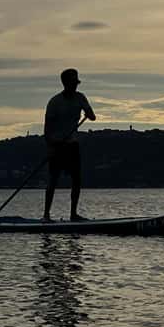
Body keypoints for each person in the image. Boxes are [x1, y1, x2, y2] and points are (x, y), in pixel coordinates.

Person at [43, 68, 96, 221]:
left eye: (76, 83)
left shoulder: (81, 98)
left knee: (76, 180)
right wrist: (51, 147)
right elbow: (47, 129)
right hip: (57, 145)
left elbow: (92, 116)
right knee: (53, 180)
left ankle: (73, 214)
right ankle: (46, 215)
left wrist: (88, 113)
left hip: (72, 145)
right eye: (73, 83)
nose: (75, 86)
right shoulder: (54, 102)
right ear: (66, 83)